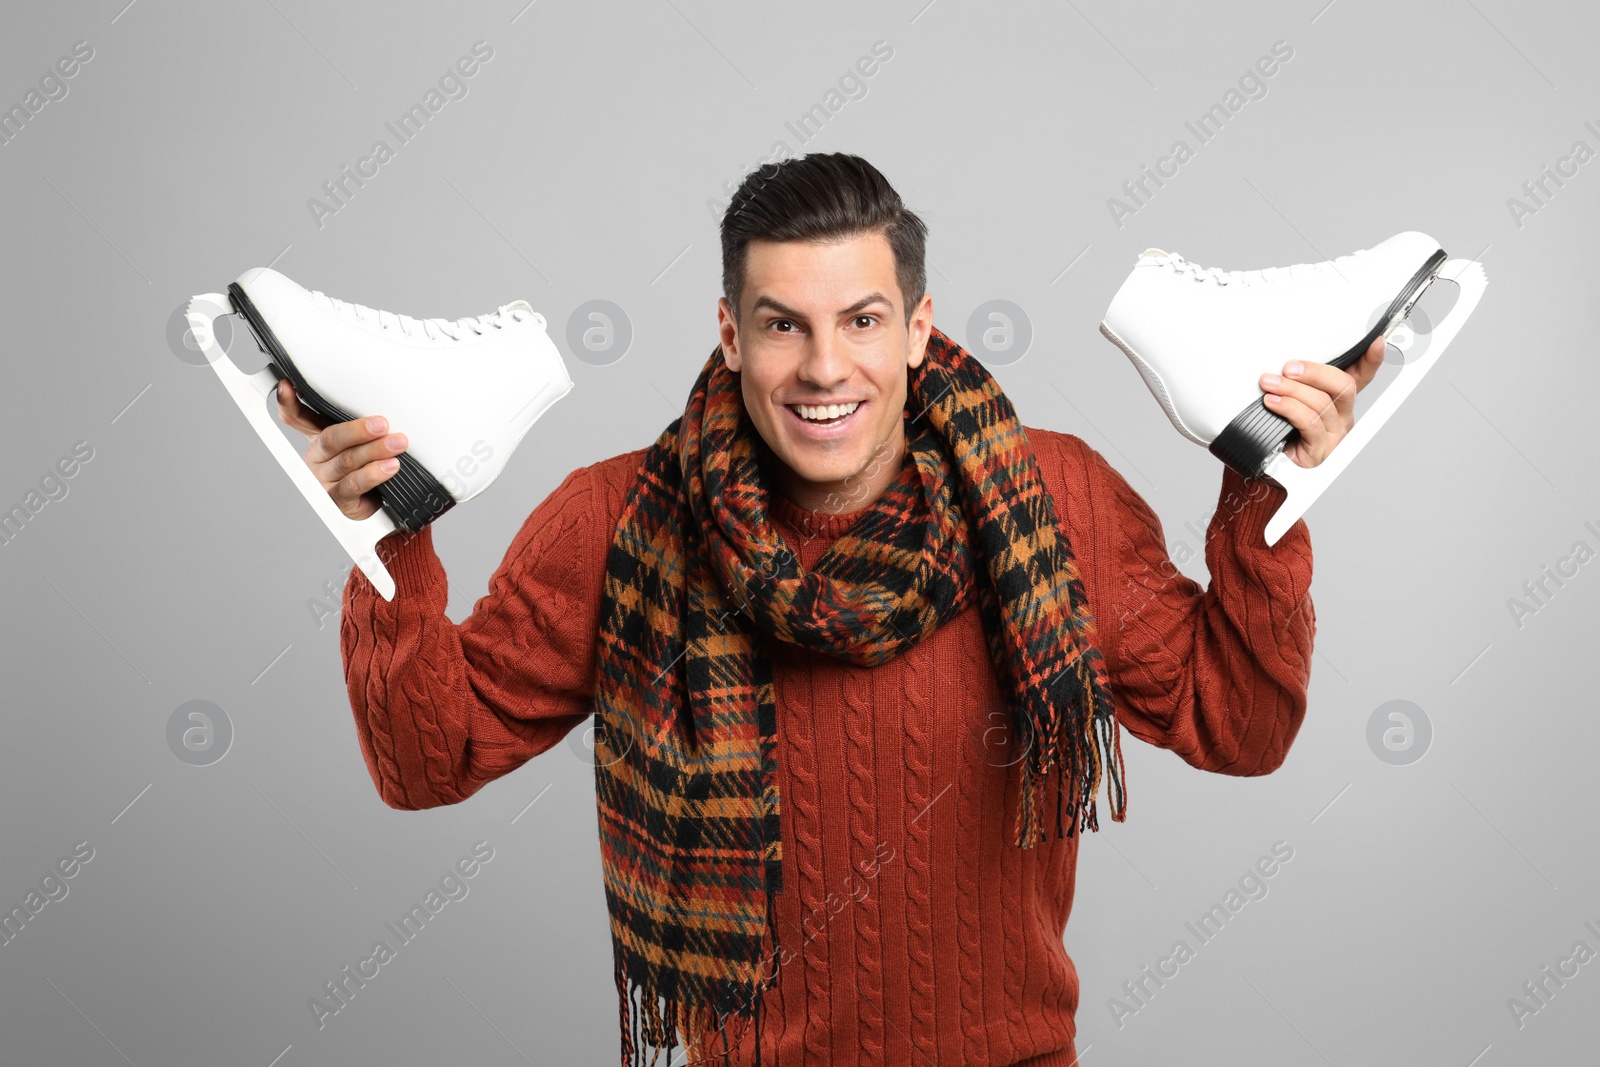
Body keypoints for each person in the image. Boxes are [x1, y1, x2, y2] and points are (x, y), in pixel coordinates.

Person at [276, 153, 1383, 1067]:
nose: (822, 367)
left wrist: (1267, 483)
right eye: (782, 325)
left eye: (860, 319)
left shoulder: (1048, 499)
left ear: (916, 325)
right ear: (728, 334)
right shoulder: (620, 521)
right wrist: (387, 529)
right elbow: (427, 760)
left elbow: (1240, 725)